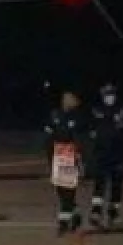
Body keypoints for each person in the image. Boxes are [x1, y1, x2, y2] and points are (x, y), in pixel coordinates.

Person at [45, 90, 89, 235]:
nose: (66, 101)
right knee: (60, 189)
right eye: (65, 98)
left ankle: (63, 222)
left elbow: (80, 139)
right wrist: (50, 155)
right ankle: (75, 213)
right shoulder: (55, 115)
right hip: (58, 155)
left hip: (70, 155)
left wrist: (80, 158)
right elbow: (49, 136)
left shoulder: (77, 118)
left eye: (70, 98)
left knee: (68, 190)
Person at [87, 82, 123, 229]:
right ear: (103, 96)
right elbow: (91, 129)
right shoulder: (96, 110)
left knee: (117, 185)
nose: (110, 97)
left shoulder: (121, 110)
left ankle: (113, 214)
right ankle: (96, 212)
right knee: (99, 183)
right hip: (102, 153)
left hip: (118, 153)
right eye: (107, 94)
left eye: (112, 94)